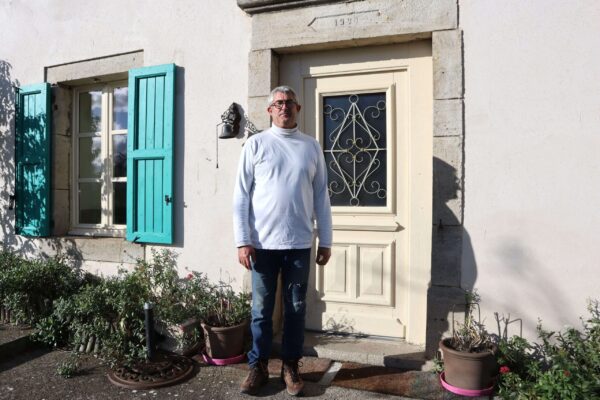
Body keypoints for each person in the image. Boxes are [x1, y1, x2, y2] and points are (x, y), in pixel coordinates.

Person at [233, 86, 332, 396]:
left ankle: (290, 366)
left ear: (298, 108)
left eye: (289, 102)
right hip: (261, 247)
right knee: (261, 311)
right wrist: (242, 240)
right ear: (270, 111)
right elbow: (240, 197)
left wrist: (325, 240)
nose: (284, 107)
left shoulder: (311, 147)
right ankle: (258, 367)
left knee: (295, 309)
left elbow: (321, 196)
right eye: (278, 103)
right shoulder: (256, 145)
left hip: (299, 245)